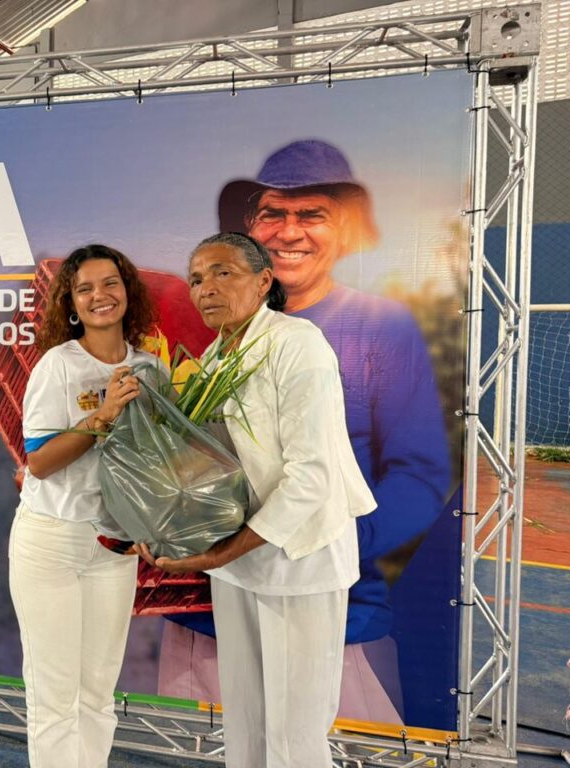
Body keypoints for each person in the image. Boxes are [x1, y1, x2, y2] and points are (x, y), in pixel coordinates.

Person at [159, 140, 451, 723]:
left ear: (341, 229)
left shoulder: (378, 327)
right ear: (252, 228)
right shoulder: (210, 348)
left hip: (324, 603)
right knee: (233, 742)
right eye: (273, 213)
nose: (290, 231)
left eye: (311, 214)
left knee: (302, 741)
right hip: (212, 597)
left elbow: (419, 474)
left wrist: (326, 537)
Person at [141, 232, 376, 767]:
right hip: (237, 563)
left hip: (298, 559)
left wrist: (222, 552)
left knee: (295, 733)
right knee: (245, 720)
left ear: (264, 280)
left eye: (223, 272)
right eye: (197, 278)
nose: (206, 288)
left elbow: (312, 476)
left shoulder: (296, 343)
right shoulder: (213, 358)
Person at [11, 243, 158, 768]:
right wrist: (103, 416)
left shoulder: (149, 367)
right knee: (55, 697)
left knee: (97, 694)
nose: (100, 295)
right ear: (71, 304)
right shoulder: (58, 366)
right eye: (85, 288)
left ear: (127, 291)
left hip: (114, 548)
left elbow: (157, 463)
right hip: (52, 541)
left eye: (110, 283)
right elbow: (40, 463)